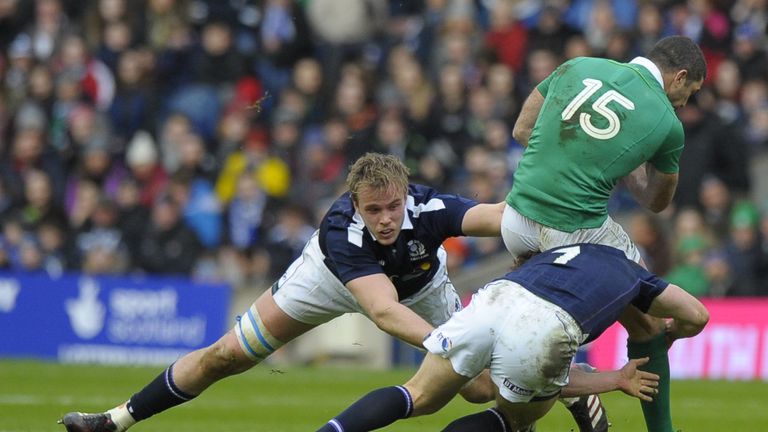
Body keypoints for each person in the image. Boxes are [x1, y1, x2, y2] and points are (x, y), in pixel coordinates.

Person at [59, 153, 507, 432]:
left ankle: (563, 399)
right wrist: (449, 342)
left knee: (480, 390)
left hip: (422, 287)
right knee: (225, 355)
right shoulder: (341, 232)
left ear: (406, 195)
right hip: (329, 280)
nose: (387, 218)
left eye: (394, 206)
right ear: (355, 206)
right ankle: (116, 420)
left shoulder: (429, 207)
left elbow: (498, 217)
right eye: (374, 210)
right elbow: (382, 310)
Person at [500, 35, 706, 432]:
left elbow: (523, 129)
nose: (684, 103)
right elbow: (656, 200)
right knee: (647, 324)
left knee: (525, 333)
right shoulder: (666, 121)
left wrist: (575, 160)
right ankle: (655, 426)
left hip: (514, 217)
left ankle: (550, 399)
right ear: (679, 77)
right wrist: (626, 163)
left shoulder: (578, 66)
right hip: (571, 230)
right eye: (690, 93)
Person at [316, 243, 709, 432]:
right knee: (513, 420)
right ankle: (581, 386)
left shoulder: (573, 248)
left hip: (497, 295)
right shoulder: (636, 275)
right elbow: (696, 314)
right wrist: (628, 370)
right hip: (546, 326)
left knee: (417, 395)